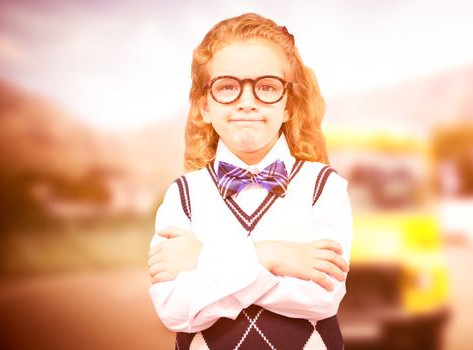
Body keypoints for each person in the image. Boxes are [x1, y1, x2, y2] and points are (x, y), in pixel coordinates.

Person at [146, 13, 353, 350]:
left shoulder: (324, 186)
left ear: (288, 104)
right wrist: (269, 256)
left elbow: (320, 297)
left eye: (267, 87)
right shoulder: (183, 194)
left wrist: (204, 261)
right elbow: (175, 309)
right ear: (204, 107)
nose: (247, 101)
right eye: (227, 86)